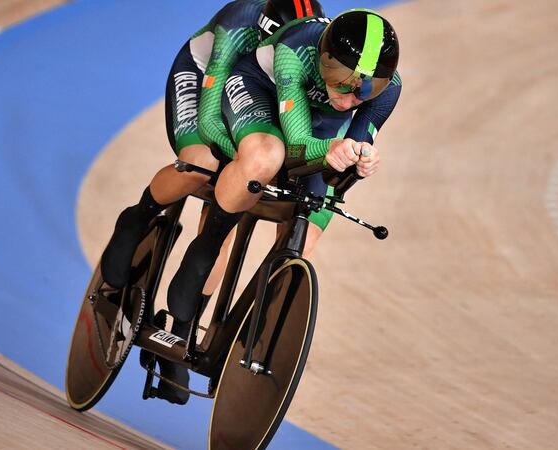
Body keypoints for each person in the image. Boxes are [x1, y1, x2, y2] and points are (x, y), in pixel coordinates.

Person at [165, 8, 402, 402]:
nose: (350, 97)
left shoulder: (388, 89)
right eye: (342, 82)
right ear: (323, 59)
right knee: (259, 163)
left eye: (365, 89)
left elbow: (342, 166)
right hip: (264, 99)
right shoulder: (295, 49)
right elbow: (295, 147)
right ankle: (184, 320)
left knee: (303, 243)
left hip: (315, 133)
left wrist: (361, 161)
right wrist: (326, 149)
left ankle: (244, 341)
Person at [98, 0, 325, 404]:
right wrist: (233, 162)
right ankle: (139, 216)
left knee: (236, 200)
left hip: (262, 89)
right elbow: (210, 115)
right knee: (203, 162)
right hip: (207, 77)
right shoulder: (240, 23)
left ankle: (182, 326)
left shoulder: (305, 47)